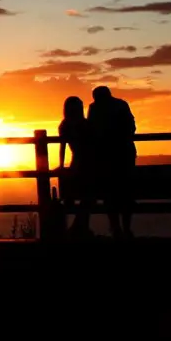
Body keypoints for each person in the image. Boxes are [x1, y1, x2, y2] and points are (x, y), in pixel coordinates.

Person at [87, 85, 137, 238]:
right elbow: (132, 127)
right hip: (125, 156)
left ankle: (116, 228)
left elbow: (90, 131)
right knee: (125, 194)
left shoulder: (94, 108)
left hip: (105, 158)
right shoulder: (122, 105)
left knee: (109, 195)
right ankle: (126, 229)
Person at [56, 95, 94, 237]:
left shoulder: (64, 125)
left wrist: (61, 166)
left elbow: (62, 147)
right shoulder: (86, 124)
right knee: (88, 196)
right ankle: (80, 227)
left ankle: (79, 227)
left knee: (86, 195)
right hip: (91, 165)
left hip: (77, 165)